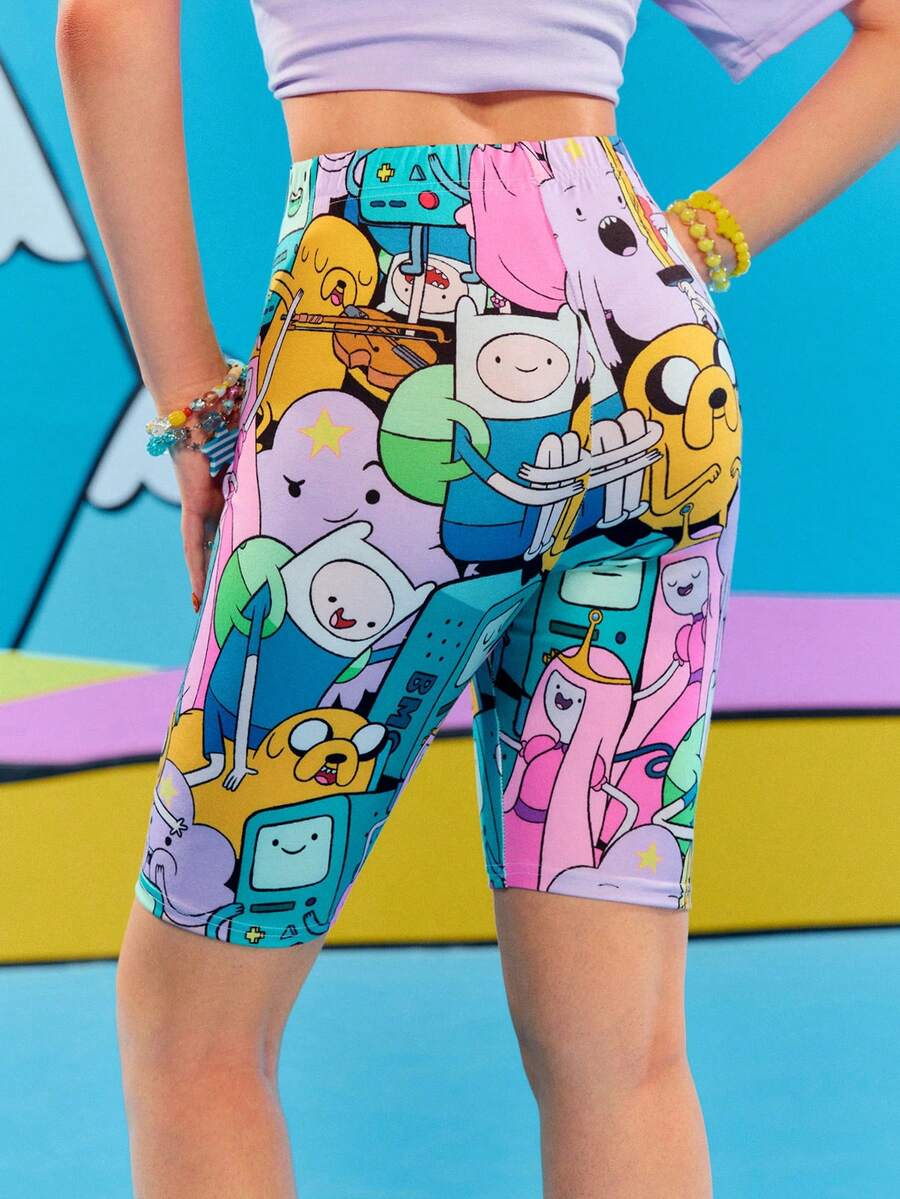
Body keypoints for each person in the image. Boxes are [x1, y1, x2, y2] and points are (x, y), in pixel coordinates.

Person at [55, 2, 899, 1195]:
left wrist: (194, 404)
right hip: (643, 335)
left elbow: (102, 27)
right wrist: (701, 238)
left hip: (384, 338)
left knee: (194, 1034)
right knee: (623, 1055)